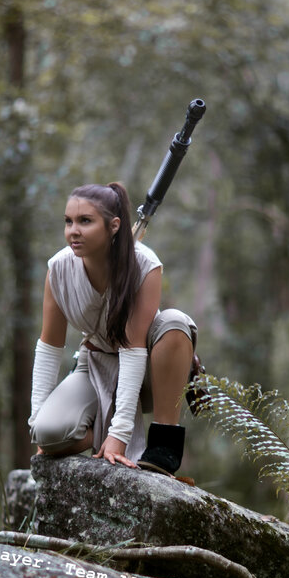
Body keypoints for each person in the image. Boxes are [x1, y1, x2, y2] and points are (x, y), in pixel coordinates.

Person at [29, 181, 198, 474]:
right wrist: (36, 423)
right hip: (95, 363)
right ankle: (99, 429)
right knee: (48, 433)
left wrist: (119, 435)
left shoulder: (145, 264)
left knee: (175, 322)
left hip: (148, 370)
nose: (73, 231)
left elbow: (133, 349)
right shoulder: (58, 268)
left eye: (85, 221)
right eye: (68, 221)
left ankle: (163, 444)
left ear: (114, 226)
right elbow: (49, 348)